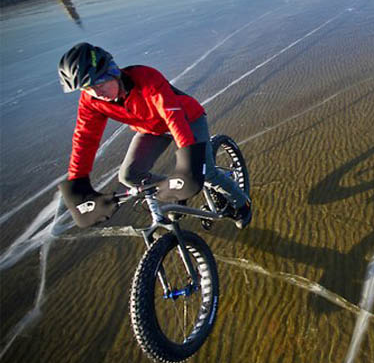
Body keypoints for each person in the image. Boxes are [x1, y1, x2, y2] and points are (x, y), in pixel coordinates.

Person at [57, 42, 251, 229]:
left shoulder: (145, 77)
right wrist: (78, 181)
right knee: (130, 175)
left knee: (205, 171)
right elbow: (85, 138)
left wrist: (189, 162)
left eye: (99, 82)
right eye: (87, 88)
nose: (97, 92)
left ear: (112, 70)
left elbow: (172, 115)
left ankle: (242, 205)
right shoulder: (91, 101)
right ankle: (176, 194)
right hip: (152, 130)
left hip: (187, 119)